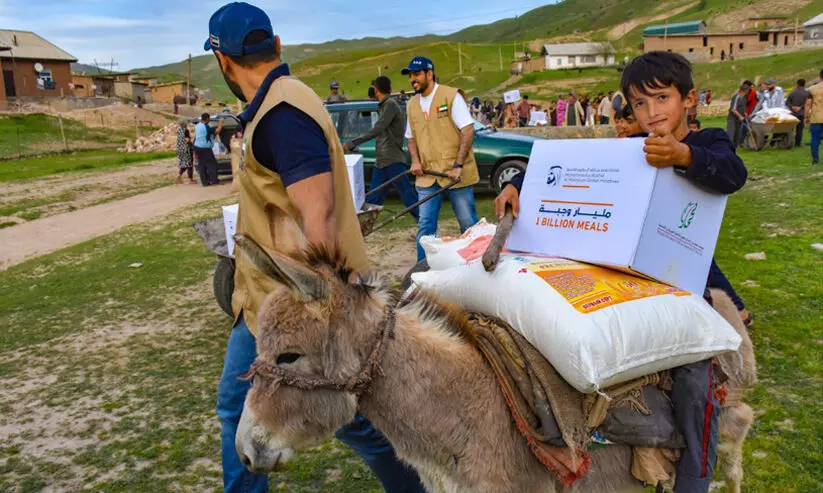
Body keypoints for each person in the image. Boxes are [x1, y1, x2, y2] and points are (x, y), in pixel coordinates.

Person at [495, 51, 747, 493]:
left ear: (689, 100)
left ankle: (694, 479)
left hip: (683, 285)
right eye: (640, 104)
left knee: (695, 380)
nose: (651, 114)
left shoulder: (708, 142)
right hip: (621, 280)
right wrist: (519, 185)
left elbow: (732, 173)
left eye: (662, 99)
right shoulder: (630, 145)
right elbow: (572, 170)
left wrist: (683, 155)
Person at [203, 4, 425, 492]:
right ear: (276, 46)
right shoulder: (277, 105)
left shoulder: (281, 115)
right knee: (344, 418)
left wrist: (321, 319)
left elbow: (318, 214)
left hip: (290, 306)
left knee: (355, 419)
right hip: (267, 297)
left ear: (223, 59)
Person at [402, 55, 480, 261]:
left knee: (468, 224)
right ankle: (422, 271)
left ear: (429, 73)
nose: (413, 79)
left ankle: (476, 266)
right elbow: (410, 138)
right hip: (428, 175)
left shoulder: (451, 96)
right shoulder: (411, 105)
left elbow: (468, 130)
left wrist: (458, 165)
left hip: (455, 174)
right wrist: (415, 161)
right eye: (410, 75)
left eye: (417, 74)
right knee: (425, 227)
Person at [343, 76, 419, 219]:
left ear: (376, 90)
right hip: (382, 160)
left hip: (392, 159)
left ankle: (425, 227)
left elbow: (378, 128)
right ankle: (362, 229)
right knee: (373, 197)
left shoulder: (390, 104)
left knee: (407, 194)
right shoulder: (385, 105)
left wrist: (353, 143)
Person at [193, 112, 224, 186]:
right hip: (205, 149)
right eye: (209, 119)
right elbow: (217, 131)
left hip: (197, 147)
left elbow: (209, 134)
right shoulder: (205, 127)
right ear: (207, 119)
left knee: (202, 165)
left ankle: (205, 182)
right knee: (212, 164)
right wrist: (221, 123)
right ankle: (214, 181)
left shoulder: (197, 126)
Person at [786, 79, 811, 148]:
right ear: (804, 84)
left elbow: (787, 102)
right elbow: (807, 103)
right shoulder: (807, 93)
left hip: (793, 113)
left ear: (797, 84)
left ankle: (789, 142)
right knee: (799, 130)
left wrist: (792, 107)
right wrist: (800, 107)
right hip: (801, 113)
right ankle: (798, 143)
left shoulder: (793, 92)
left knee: (790, 129)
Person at [808, 69, 823, 165]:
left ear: (820, 77)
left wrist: (806, 117)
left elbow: (808, 104)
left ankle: (815, 160)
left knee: (815, 140)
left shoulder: (812, 89)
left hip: (816, 117)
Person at [175, 120, 196, 184]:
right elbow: (187, 140)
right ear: (185, 124)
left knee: (184, 163)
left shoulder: (178, 130)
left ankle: (179, 176)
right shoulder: (186, 130)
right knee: (189, 164)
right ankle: (190, 180)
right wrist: (192, 142)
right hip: (186, 149)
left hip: (180, 149)